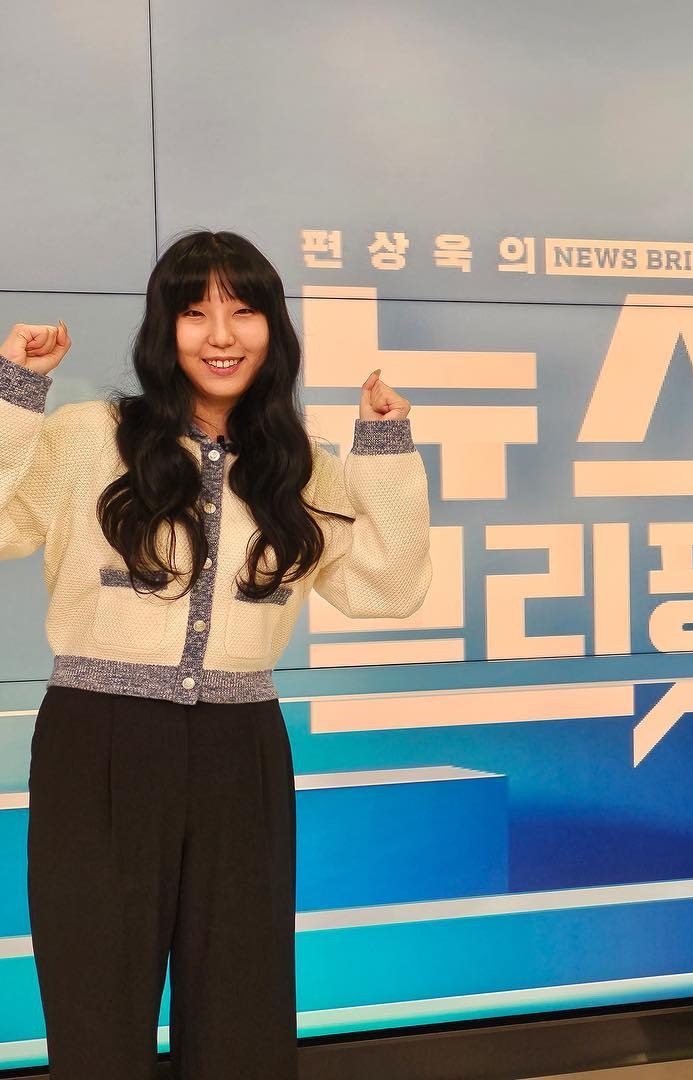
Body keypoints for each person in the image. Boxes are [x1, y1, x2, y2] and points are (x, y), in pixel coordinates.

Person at [0, 231, 433, 1079]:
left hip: (243, 748)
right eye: (195, 313)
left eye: (244, 311)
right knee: (96, 1011)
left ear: (275, 327)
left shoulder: (301, 467)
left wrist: (385, 450)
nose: (222, 335)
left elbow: (388, 588)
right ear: (164, 329)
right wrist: (16, 390)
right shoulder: (89, 436)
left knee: (244, 1016)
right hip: (98, 742)